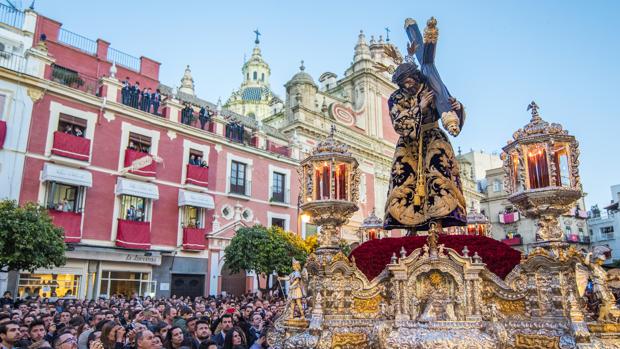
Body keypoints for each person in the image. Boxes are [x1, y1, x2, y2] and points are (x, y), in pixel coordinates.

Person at [383, 57, 466, 235]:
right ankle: (410, 225)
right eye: (403, 83)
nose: (407, 86)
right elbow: (398, 122)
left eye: (410, 81)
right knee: (406, 181)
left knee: (438, 178)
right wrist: (419, 107)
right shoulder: (395, 97)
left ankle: (437, 221)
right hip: (409, 143)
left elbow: (446, 108)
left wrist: (457, 108)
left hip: (433, 139)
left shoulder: (432, 88)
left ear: (416, 76)